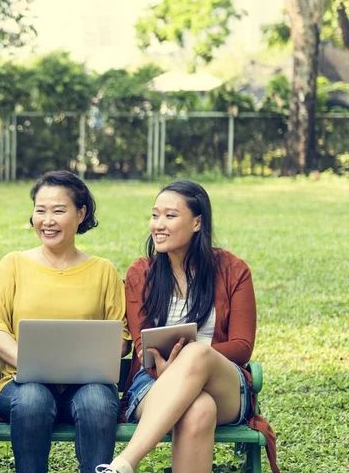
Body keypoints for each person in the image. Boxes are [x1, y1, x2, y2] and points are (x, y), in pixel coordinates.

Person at [96, 180, 279, 473]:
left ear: (197, 222)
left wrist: (189, 360)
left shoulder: (233, 270)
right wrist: (165, 368)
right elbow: (143, 347)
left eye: (170, 215)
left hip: (224, 384)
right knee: (199, 408)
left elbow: (242, 347)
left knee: (196, 354)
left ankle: (124, 463)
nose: (158, 225)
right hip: (153, 381)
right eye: (155, 215)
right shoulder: (141, 272)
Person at [0, 170, 131, 473]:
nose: (47, 220)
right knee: (33, 398)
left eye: (59, 211)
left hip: (88, 385)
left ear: (80, 214)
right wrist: (32, 363)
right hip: (23, 384)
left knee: (98, 402)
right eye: (40, 210)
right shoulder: (13, 265)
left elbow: (122, 338)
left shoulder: (103, 271)